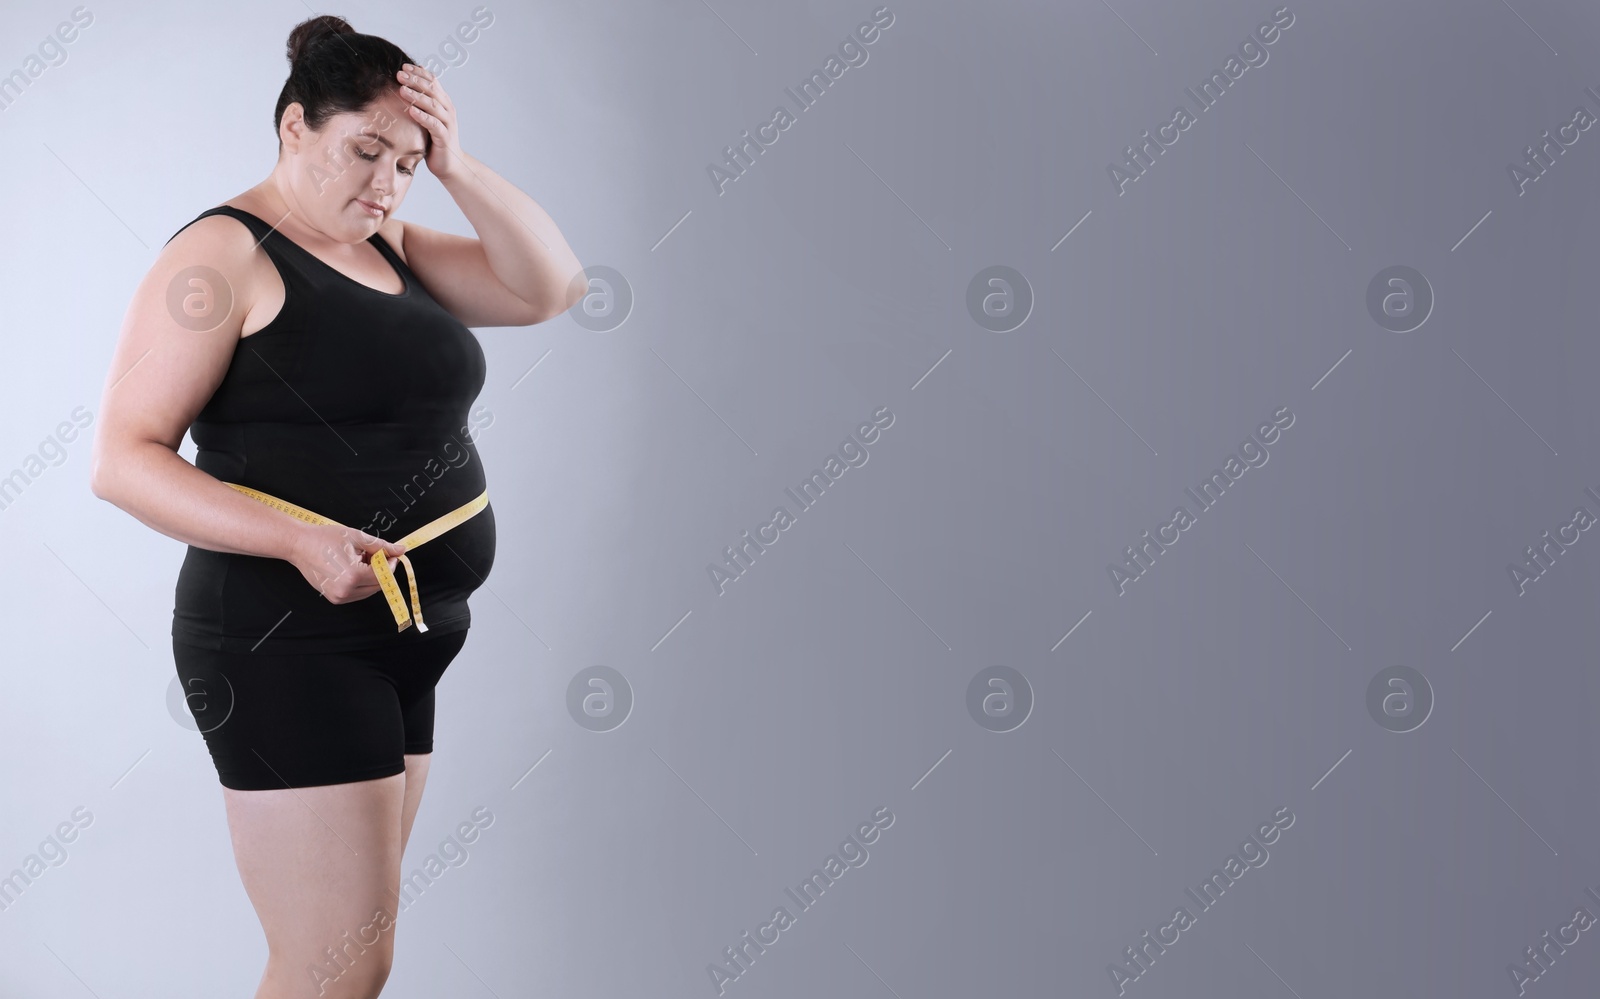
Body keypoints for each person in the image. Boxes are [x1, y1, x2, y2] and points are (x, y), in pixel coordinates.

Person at [88, 15, 583, 998]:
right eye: (365, 150)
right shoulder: (222, 258)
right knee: (335, 967)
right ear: (293, 128)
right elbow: (122, 461)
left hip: (406, 636)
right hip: (284, 642)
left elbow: (550, 287)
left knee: (358, 966)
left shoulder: (389, 240)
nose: (384, 184)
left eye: (407, 161)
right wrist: (301, 541)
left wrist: (459, 165)